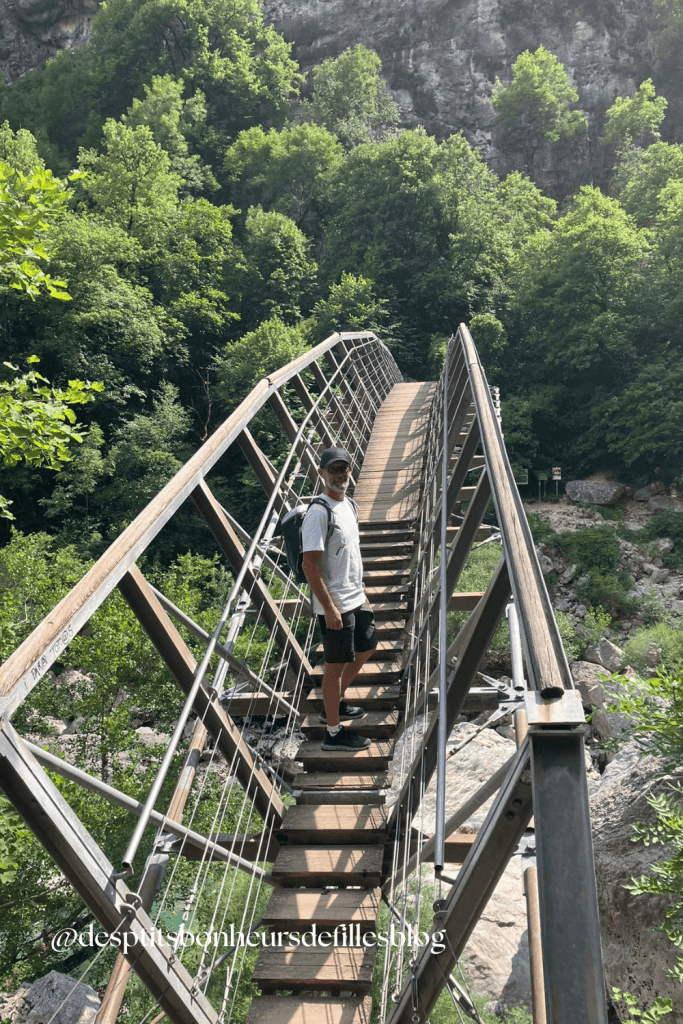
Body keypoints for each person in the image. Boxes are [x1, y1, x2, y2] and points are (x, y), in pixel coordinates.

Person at [301, 446, 377, 751]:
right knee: (333, 667)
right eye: (333, 469)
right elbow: (309, 564)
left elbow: (349, 555)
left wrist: (362, 591)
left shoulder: (351, 507)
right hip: (335, 605)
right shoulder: (318, 514)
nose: (340, 474)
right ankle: (332, 733)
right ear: (321, 474)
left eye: (344, 468)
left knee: (367, 647)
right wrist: (329, 608)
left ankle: (335, 702)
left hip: (355, 596)